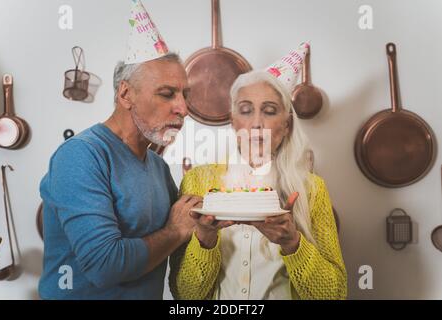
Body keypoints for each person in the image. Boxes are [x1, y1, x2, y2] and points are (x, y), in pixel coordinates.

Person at [39, 1, 200, 299]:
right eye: (167, 94)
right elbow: (104, 265)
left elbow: (187, 225)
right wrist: (176, 231)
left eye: (184, 95)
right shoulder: (80, 156)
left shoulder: (157, 166)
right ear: (126, 94)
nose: (183, 108)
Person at [169, 44, 347, 300]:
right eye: (245, 110)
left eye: (270, 111)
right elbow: (185, 296)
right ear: (233, 121)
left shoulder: (311, 189)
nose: (256, 123)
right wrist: (205, 237)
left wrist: (292, 243)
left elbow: (335, 295)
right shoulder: (198, 181)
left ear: (286, 125)